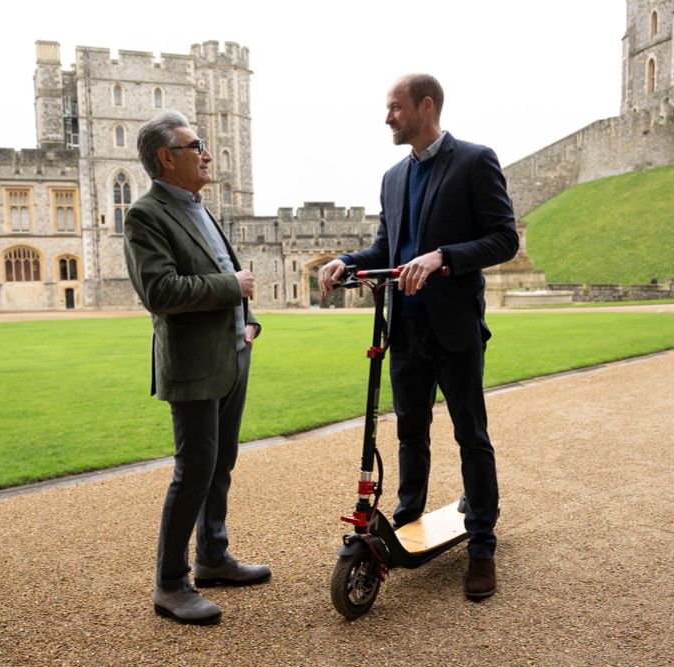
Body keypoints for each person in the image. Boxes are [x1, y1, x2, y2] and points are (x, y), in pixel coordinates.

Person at [318, 74, 518, 601]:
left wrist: (443, 258)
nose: (387, 117)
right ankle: (408, 521)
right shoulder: (392, 177)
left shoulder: (475, 160)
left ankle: (482, 545)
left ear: (426, 106)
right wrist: (346, 261)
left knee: (471, 435)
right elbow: (388, 248)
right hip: (403, 328)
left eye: (395, 107)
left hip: (454, 327)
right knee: (410, 433)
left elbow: (503, 239)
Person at [123, 110, 270, 626]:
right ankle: (170, 584)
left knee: (221, 463)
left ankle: (213, 556)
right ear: (167, 157)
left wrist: (249, 323)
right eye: (196, 146)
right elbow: (159, 291)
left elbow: (226, 271)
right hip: (192, 365)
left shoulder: (199, 207)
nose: (207, 154)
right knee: (193, 472)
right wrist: (234, 289)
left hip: (232, 355)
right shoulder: (146, 215)